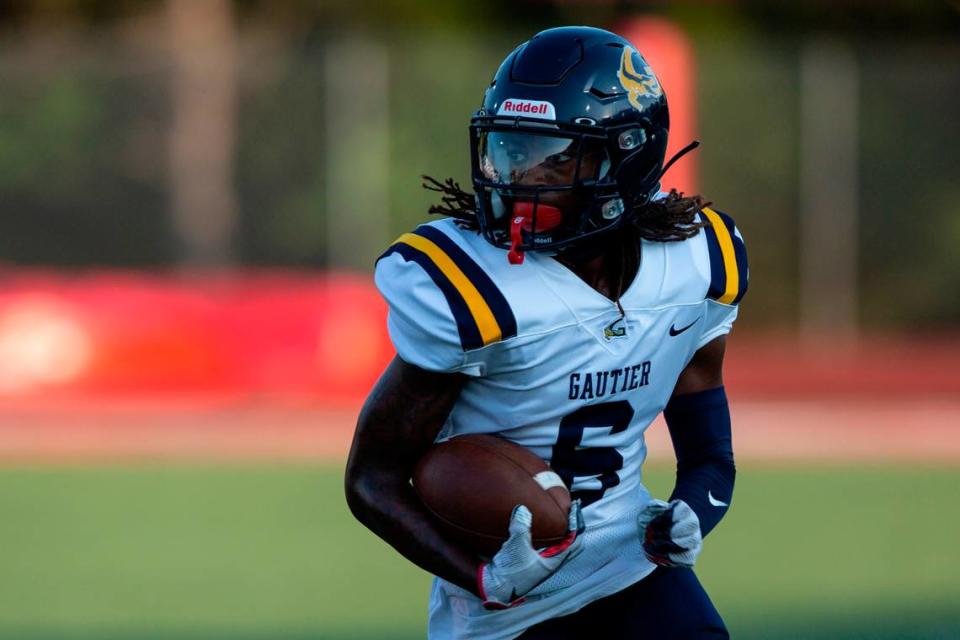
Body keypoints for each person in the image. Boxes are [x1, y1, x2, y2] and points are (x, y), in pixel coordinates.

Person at [345, 25, 747, 639]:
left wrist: (692, 511)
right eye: (511, 149)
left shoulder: (696, 263)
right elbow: (371, 478)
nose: (522, 178)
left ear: (630, 154)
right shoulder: (474, 290)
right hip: (510, 614)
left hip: (631, 569)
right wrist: (485, 580)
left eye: (555, 156)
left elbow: (710, 456)